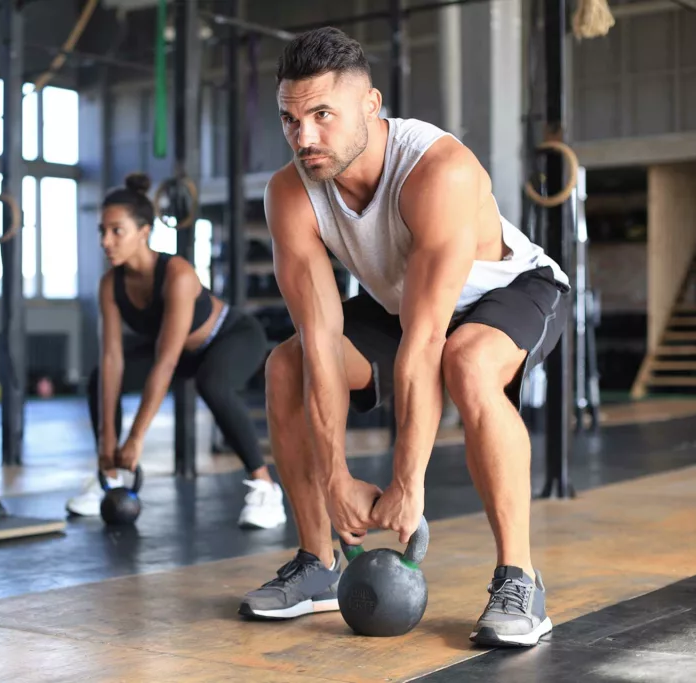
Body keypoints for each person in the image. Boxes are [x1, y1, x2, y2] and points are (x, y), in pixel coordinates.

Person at [237, 27, 570, 648]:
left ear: (371, 105)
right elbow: (320, 337)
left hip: (507, 290)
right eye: (290, 119)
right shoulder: (290, 193)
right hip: (399, 300)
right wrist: (337, 477)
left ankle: (520, 579)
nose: (303, 136)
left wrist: (407, 483)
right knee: (287, 364)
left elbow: (426, 344)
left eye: (321, 115)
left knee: (465, 362)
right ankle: (316, 564)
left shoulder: (436, 170)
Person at [66, 172, 288, 530]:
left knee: (212, 383)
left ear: (144, 232)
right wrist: (108, 447)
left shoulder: (177, 274)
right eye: (101, 231)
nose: (106, 241)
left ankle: (266, 488)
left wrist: (136, 438)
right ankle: (108, 478)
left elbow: (166, 361)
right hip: (174, 349)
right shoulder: (110, 284)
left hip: (230, 336)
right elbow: (112, 360)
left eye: (116, 231)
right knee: (98, 379)